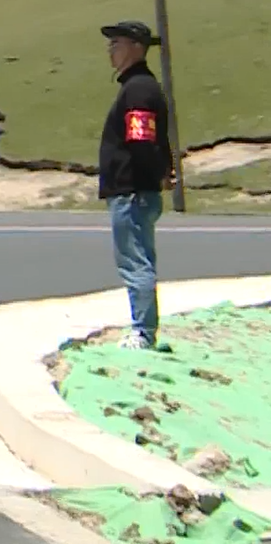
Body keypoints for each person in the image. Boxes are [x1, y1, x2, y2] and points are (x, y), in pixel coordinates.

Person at [98, 20, 175, 350]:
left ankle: (142, 332)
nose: (110, 51)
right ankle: (143, 328)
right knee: (138, 259)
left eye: (117, 44)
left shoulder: (139, 89)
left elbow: (141, 140)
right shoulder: (139, 87)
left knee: (135, 261)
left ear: (136, 48)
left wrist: (154, 173)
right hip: (136, 189)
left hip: (132, 191)